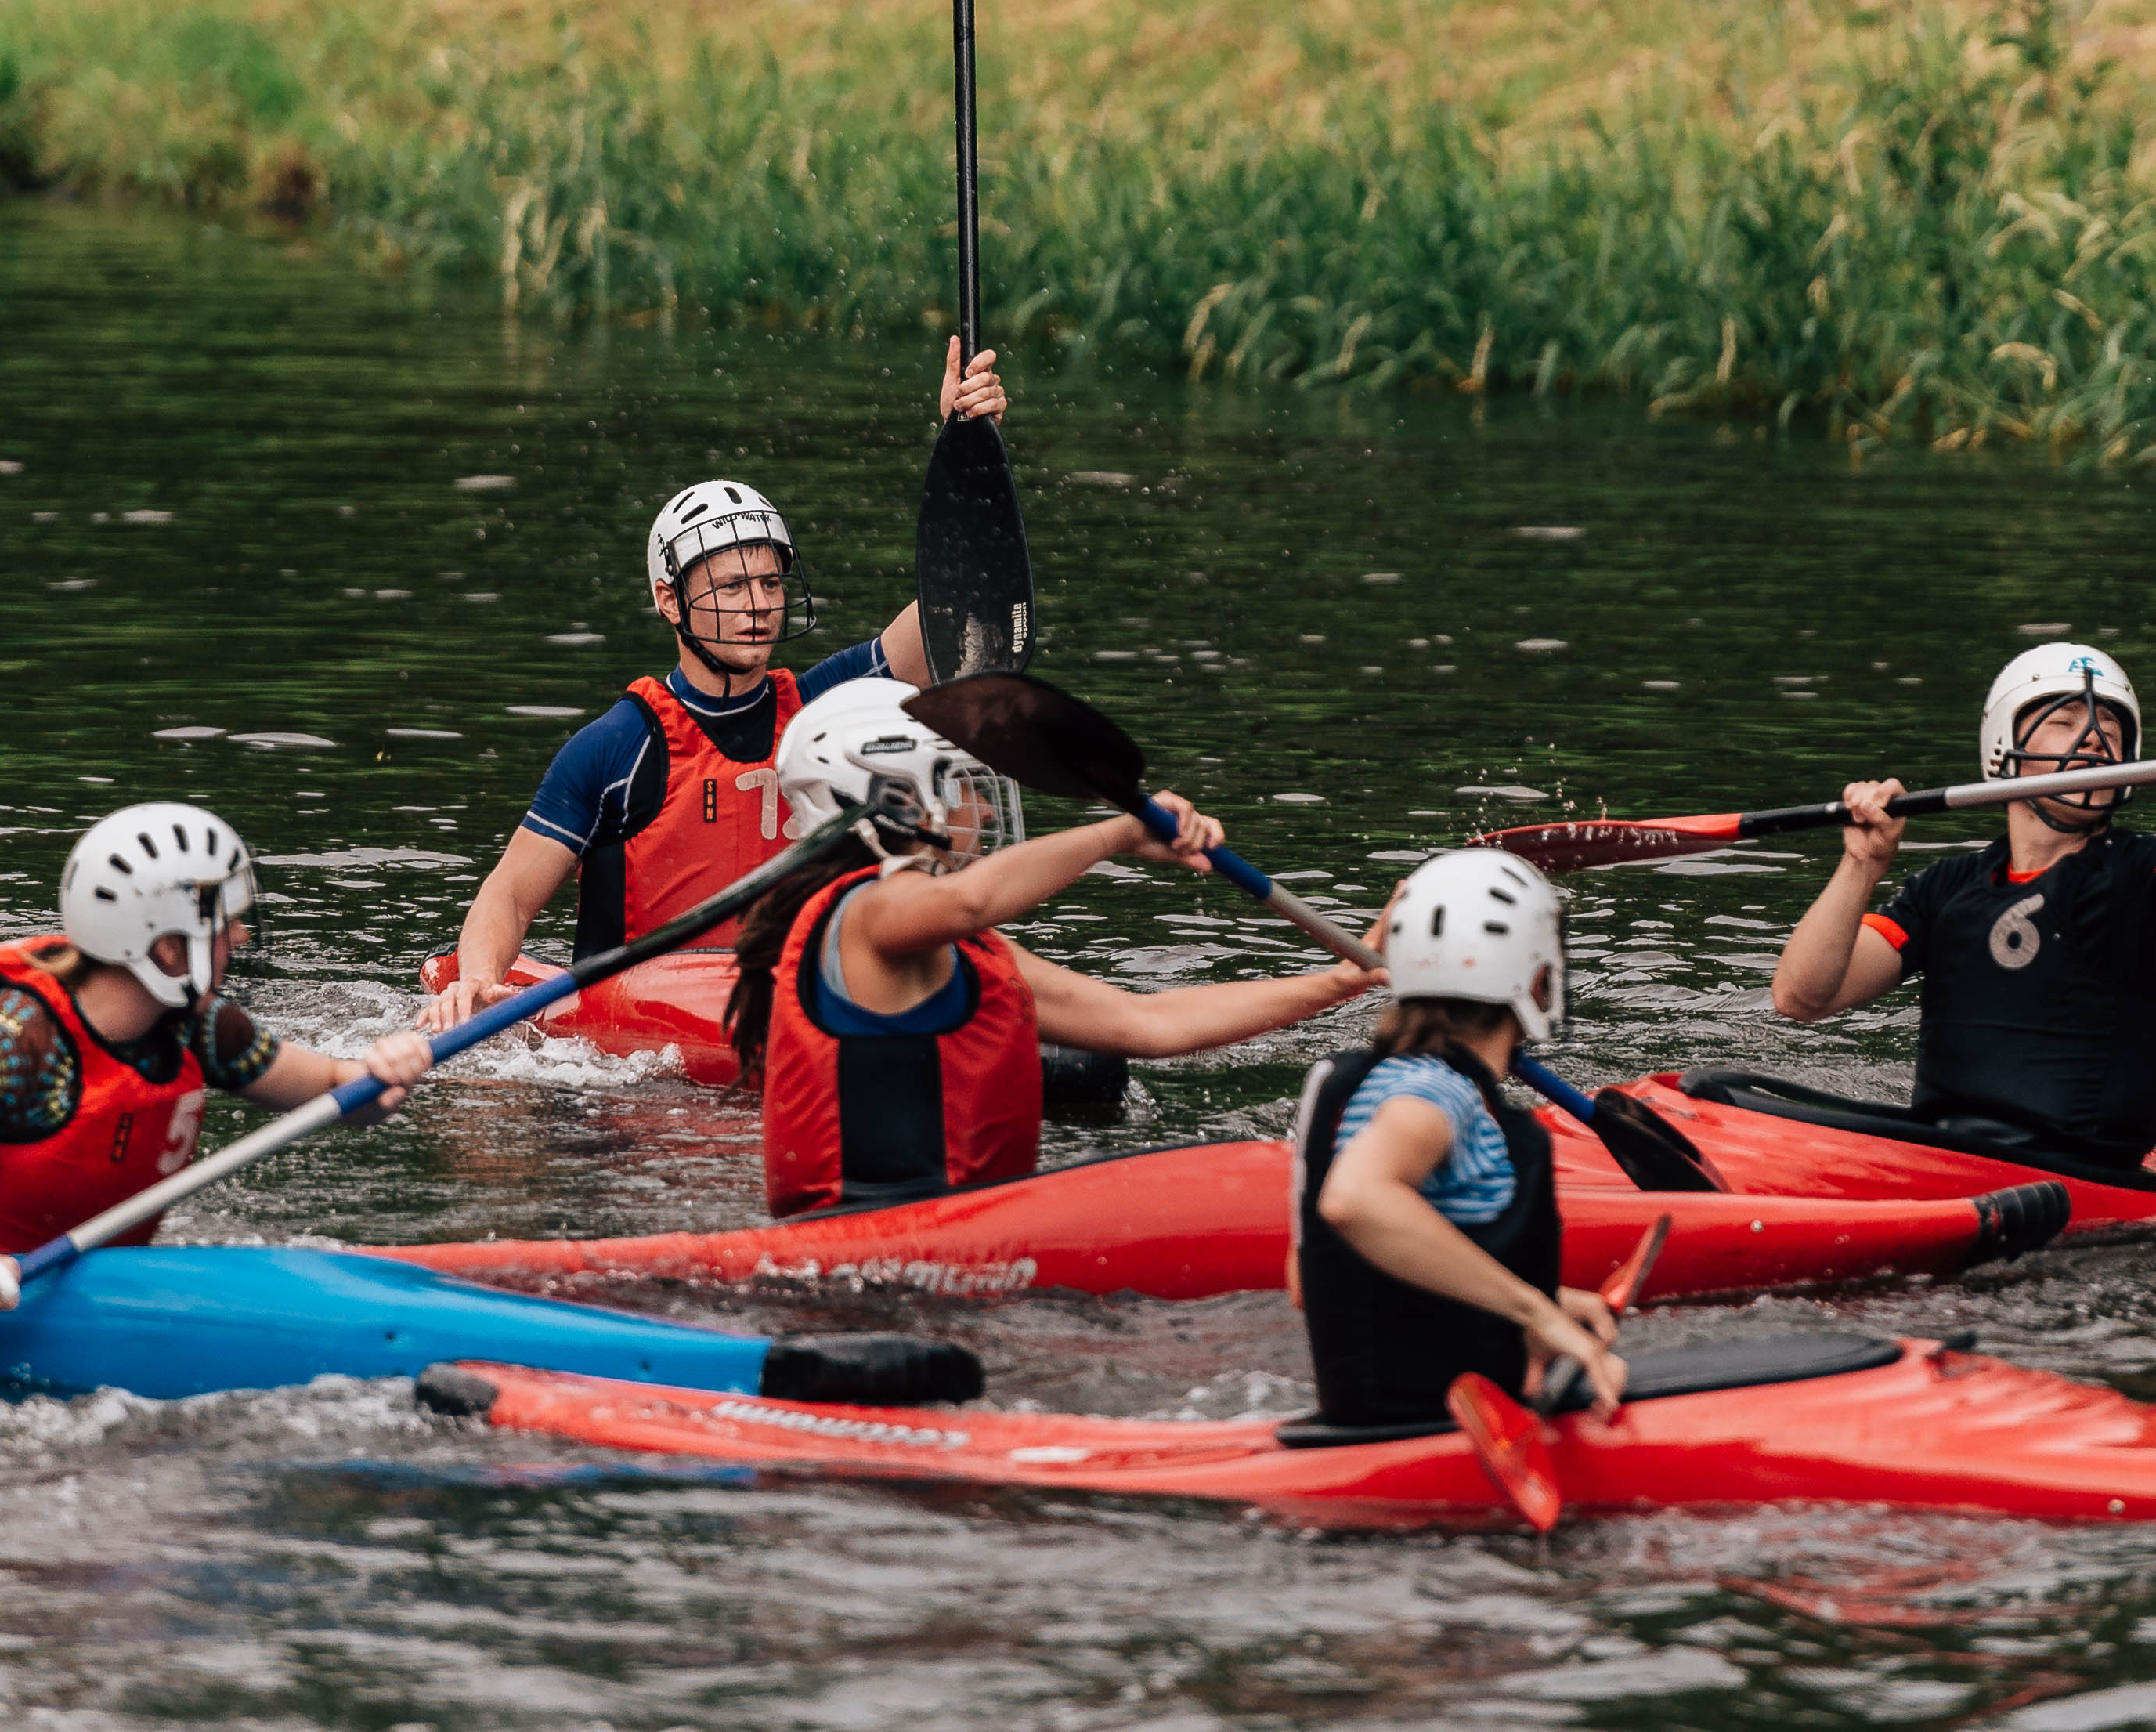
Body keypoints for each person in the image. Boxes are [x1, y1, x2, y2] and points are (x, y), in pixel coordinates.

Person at [419, 345, 1007, 1031]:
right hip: (637, 1041)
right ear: (670, 602)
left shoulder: (826, 708)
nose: (758, 604)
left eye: (768, 584)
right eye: (731, 586)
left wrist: (968, 449)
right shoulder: (616, 748)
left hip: (788, 1005)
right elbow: (511, 896)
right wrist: (480, 983)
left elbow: (957, 605)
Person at [728, 678, 1367, 1216]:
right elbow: (970, 899)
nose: (979, 810)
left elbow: (1150, 1024)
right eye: (961, 788)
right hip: (871, 1253)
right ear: (895, 795)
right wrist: (1120, 833)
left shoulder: (963, 946)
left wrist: (1339, 982)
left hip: (954, 1236)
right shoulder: (866, 916)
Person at [0, 801, 432, 1315]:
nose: (242, 936)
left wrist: (385, 1073)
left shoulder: (198, 1027)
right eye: (225, 923)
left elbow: (337, 1092)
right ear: (168, 948)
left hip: (98, 1294)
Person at [1758, 641, 2156, 1188]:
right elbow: (1802, 997)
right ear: (2002, 746)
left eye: (2111, 726)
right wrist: (1862, 863)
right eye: (2065, 718)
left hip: (2080, 1175)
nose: (2094, 737)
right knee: (1723, 1092)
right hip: (1943, 1158)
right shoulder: (1944, 887)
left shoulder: (2146, 871)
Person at [1292, 848, 1627, 1424]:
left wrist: (1553, 1300)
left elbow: (1312, 1284)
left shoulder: (1359, 1082)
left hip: (1369, 1413)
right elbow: (1355, 1199)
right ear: (1539, 979)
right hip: (1432, 1423)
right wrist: (1534, 1316)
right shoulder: (1440, 1094)